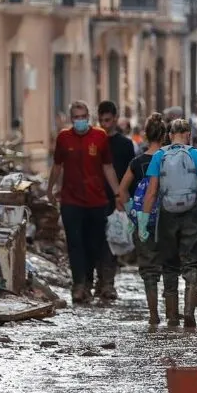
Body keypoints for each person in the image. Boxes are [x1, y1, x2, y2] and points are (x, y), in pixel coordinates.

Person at [138, 118, 197, 329]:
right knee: (192, 263)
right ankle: (189, 311)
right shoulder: (196, 155)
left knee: (169, 265)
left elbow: (151, 192)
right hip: (192, 213)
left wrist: (143, 221)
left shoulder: (159, 156)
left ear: (169, 135)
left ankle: (172, 316)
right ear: (188, 135)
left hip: (167, 214)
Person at [47, 100, 121, 304]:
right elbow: (57, 166)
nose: (79, 121)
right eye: (76, 117)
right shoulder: (64, 138)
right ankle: (79, 284)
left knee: (94, 244)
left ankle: (91, 282)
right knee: (75, 244)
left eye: (83, 117)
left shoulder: (99, 137)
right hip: (71, 200)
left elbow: (108, 167)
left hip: (96, 200)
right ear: (71, 119)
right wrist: (50, 188)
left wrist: (117, 193)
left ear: (88, 117)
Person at [118, 113, 167, 325]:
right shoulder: (169, 159)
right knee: (171, 266)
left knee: (148, 269)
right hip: (169, 219)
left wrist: (131, 212)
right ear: (165, 135)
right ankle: (174, 314)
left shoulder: (137, 163)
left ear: (145, 135)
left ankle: (154, 313)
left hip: (143, 221)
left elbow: (122, 191)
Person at [95, 101, 136, 300]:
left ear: (115, 118)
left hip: (115, 198)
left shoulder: (125, 144)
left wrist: (126, 196)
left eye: (108, 120)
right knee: (95, 240)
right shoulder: (94, 141)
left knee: (112, 240)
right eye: (102, 120)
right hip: (94, 197)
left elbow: (132, 172)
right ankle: (98, 279)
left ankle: (108, 282)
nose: (105, 124)